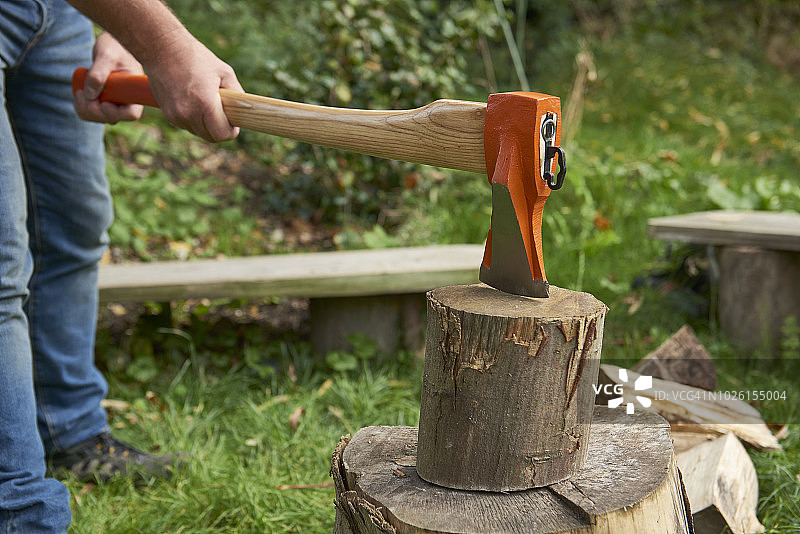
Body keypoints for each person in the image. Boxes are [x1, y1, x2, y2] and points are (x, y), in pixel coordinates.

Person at [0, 0, 242, 531]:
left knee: (72, 230)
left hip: (59, 12)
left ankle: (69, 433)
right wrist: (163, 44)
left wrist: (124, 28)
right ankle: (19, 509)